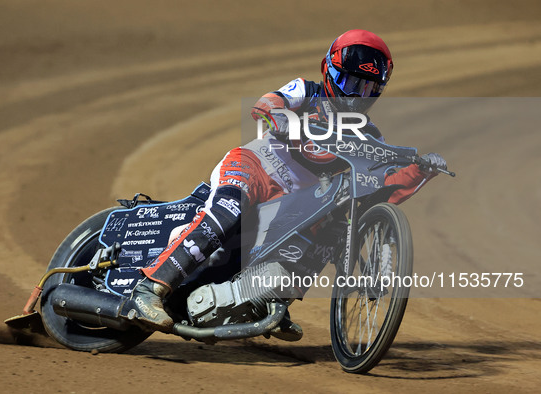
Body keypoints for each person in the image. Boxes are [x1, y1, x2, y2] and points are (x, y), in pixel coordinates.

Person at [127, 29, 447, 340]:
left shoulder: (371, 135)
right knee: (227, 212)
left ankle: (268, 297)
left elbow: (379, 187)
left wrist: (420, 171)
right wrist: (280, 116)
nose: (356, 95)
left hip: (291, 204)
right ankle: (149, 289)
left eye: (366, 88)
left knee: (332, 228)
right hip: (255, 167)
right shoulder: (307, 91)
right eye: (350, 82)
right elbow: (266, 104)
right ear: (329, 71)